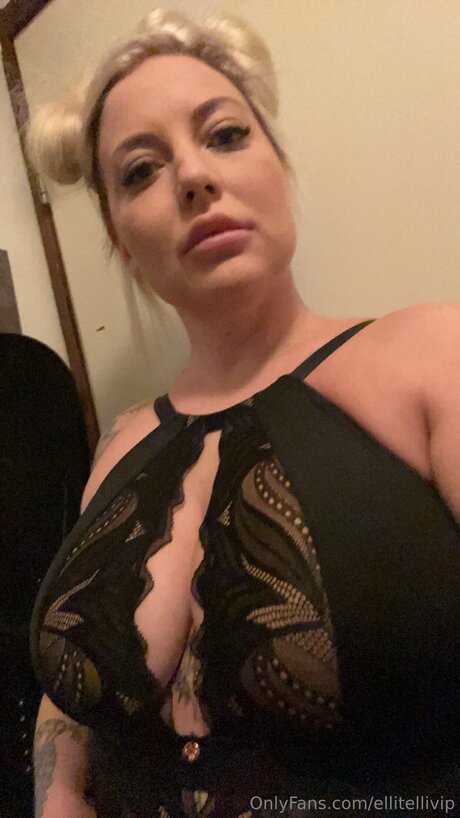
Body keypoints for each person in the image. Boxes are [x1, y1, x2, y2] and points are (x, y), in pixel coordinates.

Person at [27, 7, 460, 818]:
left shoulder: (435, 357)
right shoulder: (118, 441)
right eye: (140, 171)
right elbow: (73, 689)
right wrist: (58, 796)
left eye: (224, 134)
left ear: (278, 167)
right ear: (121, 240)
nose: (192, 176)